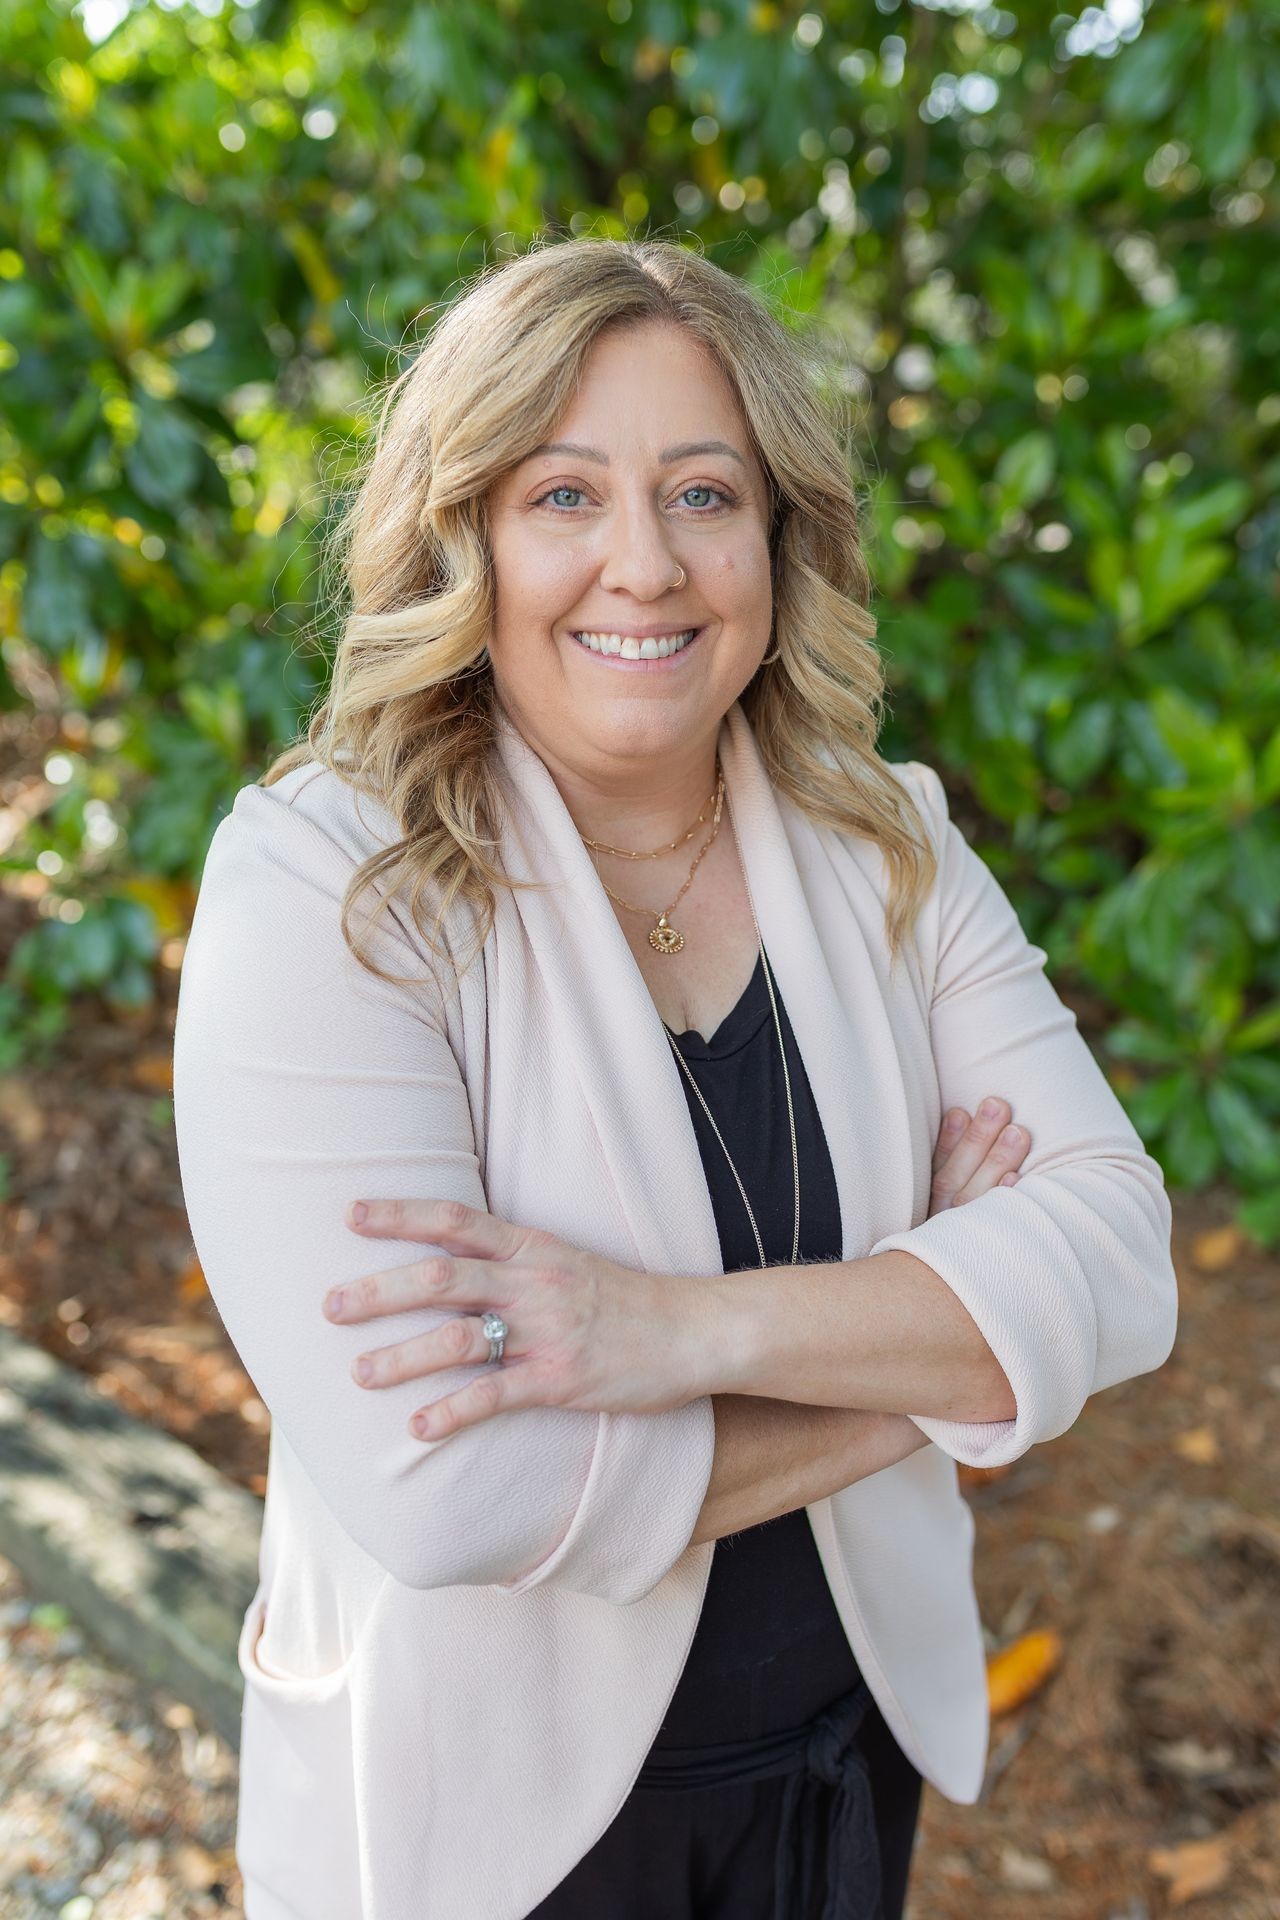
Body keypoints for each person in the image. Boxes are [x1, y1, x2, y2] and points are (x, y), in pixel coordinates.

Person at [171, 235, 1178, 1920]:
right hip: (492, 1838)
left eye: (703, 494)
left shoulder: (888, 846)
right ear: (464, 533)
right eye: (565, 495)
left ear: (779, 536)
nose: (644, 564)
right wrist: (942, 1341)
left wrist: (674, 1332)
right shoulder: (324, 886)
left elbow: (1123, 1257)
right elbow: (453, 1491)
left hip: (842, 1771)